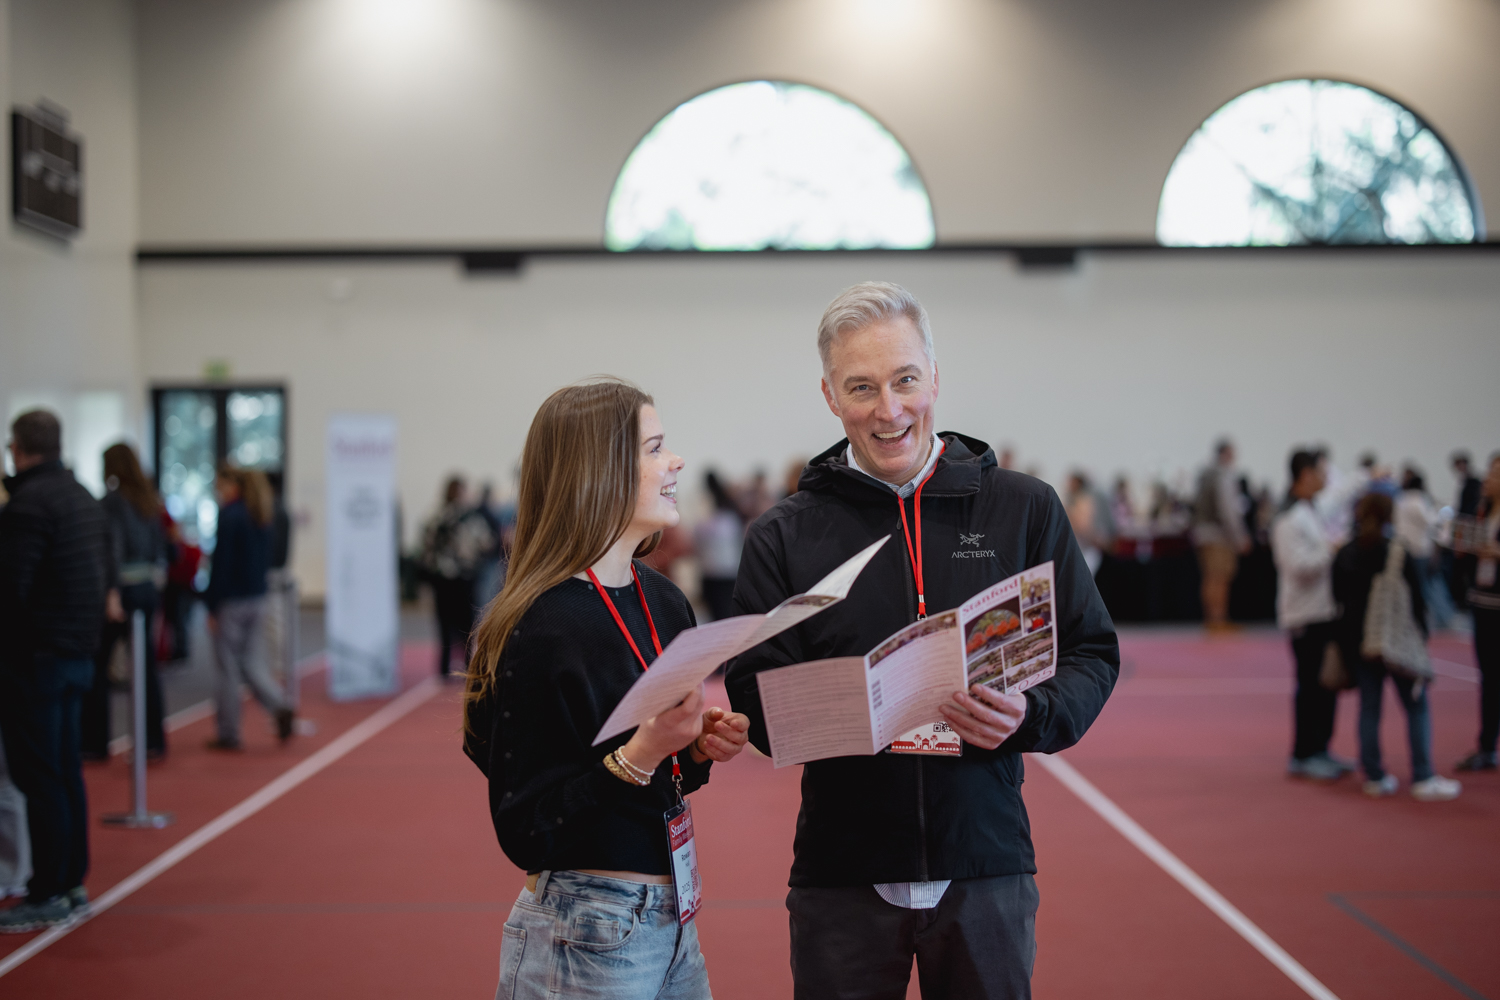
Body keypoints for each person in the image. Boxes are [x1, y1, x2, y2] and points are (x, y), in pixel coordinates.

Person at [726, 282, 1119, 1000]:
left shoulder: (1023, 509)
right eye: (862, 387)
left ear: (934, 377)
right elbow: (753, 689)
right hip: (842, 868)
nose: (889, 409)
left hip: (987, 859)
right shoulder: (784, 535)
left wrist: (1031, 717)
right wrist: (842, 707)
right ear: (829, 396)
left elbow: (1091, 652)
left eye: (906, 380)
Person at [462, 379, 751, 1000]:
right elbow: (527, 830)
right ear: (599, 472)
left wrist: (692, 749)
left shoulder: (665, 601)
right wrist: (644, 751)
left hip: (672, 917)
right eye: (653, 449)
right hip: (584, 924)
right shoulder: (540, 625)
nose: (675, 462)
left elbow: (655, 779)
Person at [0, 410, 111, 931]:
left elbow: (12, 590)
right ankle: (70, 881)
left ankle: (48, 889)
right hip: (77, 656)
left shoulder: (28, 506)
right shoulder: (82, 497)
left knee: (41, 776)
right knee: (65, 771)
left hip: (38, 659)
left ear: (18, 448)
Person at [1333, 493, 1460, 801]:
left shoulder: (1346, 552)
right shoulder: (1398, 551)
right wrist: (1420, 636)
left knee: (1369, 708)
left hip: (1361, 643)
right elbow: (1418, 600)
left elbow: (1337, 598)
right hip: (1397, 642)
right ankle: (1422, 775)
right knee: (1416, 706)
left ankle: (1374, 775)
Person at [81, 443, 169, 760]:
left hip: (121, 592)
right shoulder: (148, 500)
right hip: (146, 589)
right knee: (144, 668)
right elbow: (161, 549)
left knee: (98, 667)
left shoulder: (112, 502)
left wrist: (111, 592)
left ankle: (94, 742)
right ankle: (154, 741)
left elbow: (112, 549)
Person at [1271, 450, 1351, 781]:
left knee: (1326, 684)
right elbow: (1297, 566)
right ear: (1304, 475)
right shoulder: (1288, 517)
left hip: (1323, 609)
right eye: (1320, 473)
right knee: (1309, 685)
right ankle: (1304, 753)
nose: (1325, 480)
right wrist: (1330, 551)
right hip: (1304, 614)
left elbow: (1341, 495)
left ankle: (1321, 748)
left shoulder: (1310, 509)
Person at [206, 466, 294, 750]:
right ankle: (279, 703)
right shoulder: (262, 514)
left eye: (220, 481)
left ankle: (229, 731)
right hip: (258, 596)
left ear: (233, 484)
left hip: (233, 599)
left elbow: (221, 564)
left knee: (228, 667)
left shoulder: (231, 516)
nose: (217, 487)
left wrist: (211, 604)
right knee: (252, 661)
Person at [419, 475, 495, 679]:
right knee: (467, 625)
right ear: (461, 492)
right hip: (464, 578)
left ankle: (444, 668)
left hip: (440, 579)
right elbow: (486, 543)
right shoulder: (470, 518)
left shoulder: (435, 517)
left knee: (444, 624)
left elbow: (425, 549)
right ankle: (469, 665)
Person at [1456, 452, 1500, 772]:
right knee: (1489, 677)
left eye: (1494, 475)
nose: (1487, 480)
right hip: (1482, 603)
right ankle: (1487, 745)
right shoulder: (1482, 512)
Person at [1192, 439, 1250, 631]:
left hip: (1202, 533)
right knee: (1219, 578)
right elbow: (1228, 511)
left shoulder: (1204, 474)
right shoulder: (1223, 476)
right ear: (1226, 454)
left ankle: (1212, 619)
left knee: (1210, 577)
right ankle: (1218, 620)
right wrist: (1239, 538)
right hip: (1218, 534)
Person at [1395, 467, 1453, 631]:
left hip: (1404, 548)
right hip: (1420, 549)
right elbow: (1431, 522)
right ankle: (1441, 618)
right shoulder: (1418, 500)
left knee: (1417, 586)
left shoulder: (1401, 499)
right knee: (1427, 585)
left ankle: (1426, 617)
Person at [695, 471, 744, 621]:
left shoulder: (715, 516)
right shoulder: (730, 514)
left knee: (719, 614)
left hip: (718, 571)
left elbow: (698, 537)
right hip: (725, 571)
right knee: (723, 613)